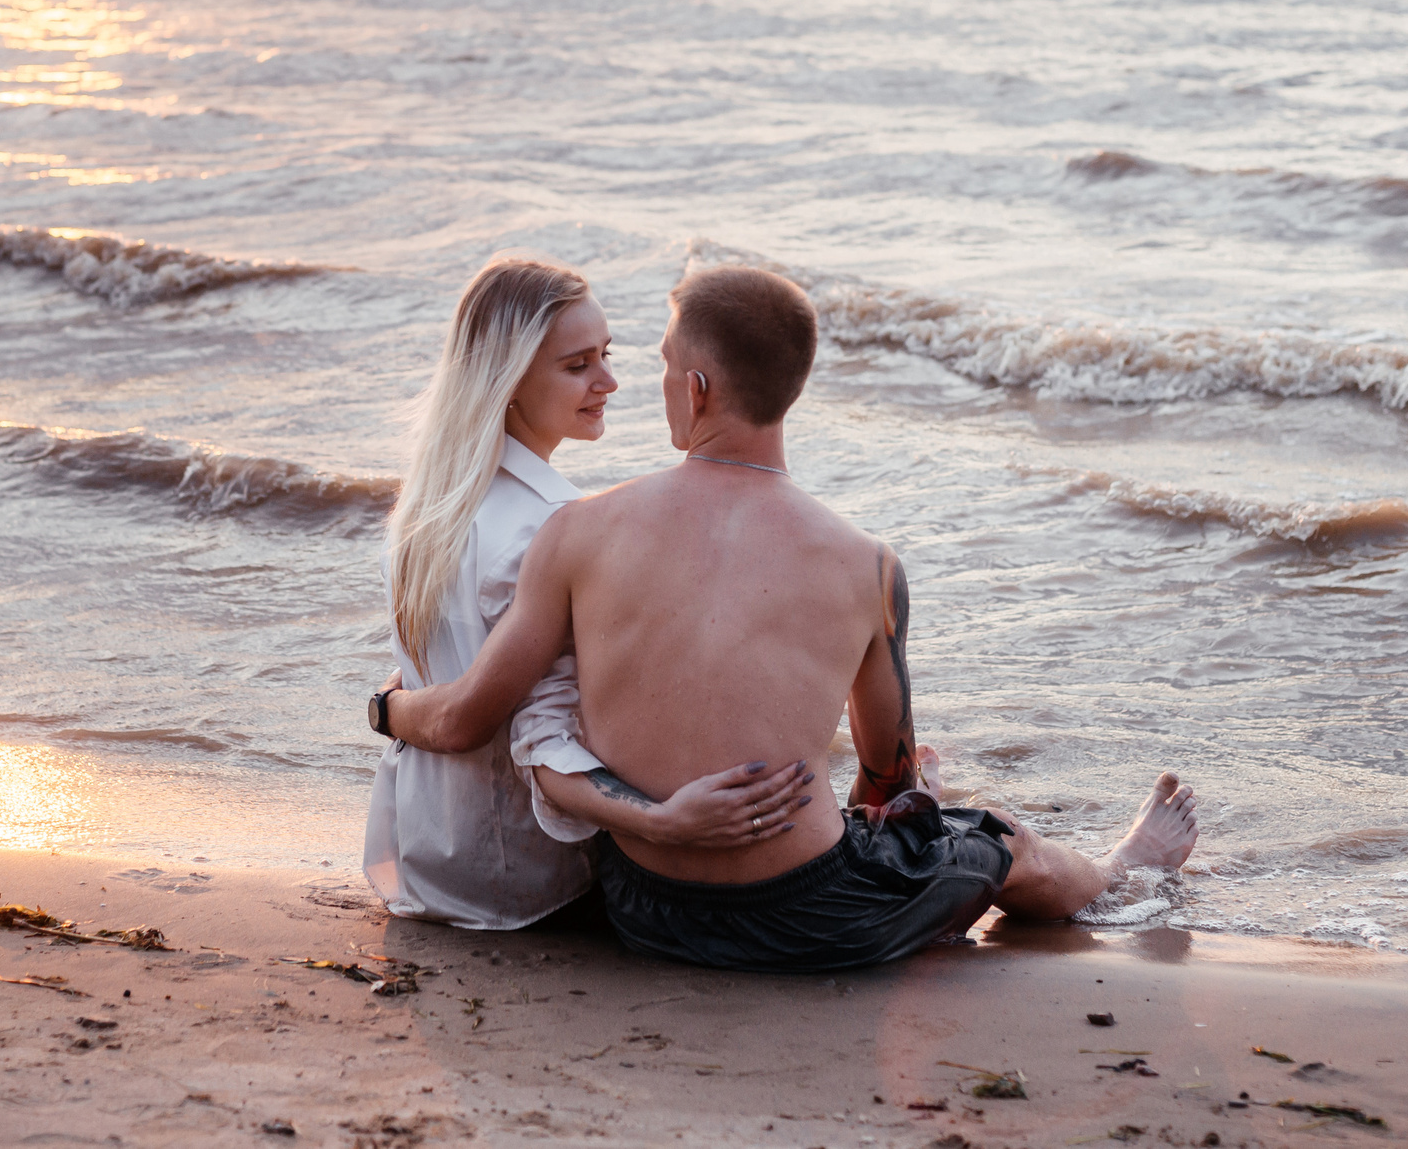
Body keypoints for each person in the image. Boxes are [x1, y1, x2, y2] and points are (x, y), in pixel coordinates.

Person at [381, 263, 1199, 970]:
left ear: (697, 387)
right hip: (810, 923)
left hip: (639, 909)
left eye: (658, 364)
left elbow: (523, 721)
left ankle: (929, 831)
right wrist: (897, 805)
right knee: (1000, 836)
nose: (637, 383)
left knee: (907, 814)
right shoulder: (867, 563)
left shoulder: (575, 529)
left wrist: (385, 705)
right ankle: (1123, 873)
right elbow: (883, 769)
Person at [361, 256, 815, 931]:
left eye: (606, 355)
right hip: (521, 885)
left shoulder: (434, 501)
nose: (608, 381)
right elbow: (519, 731)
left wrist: (386, 706)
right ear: (508, 380)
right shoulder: (553, 527)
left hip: (427, 859)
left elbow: (447, 677)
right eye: (577, 366)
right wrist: (666, 820)